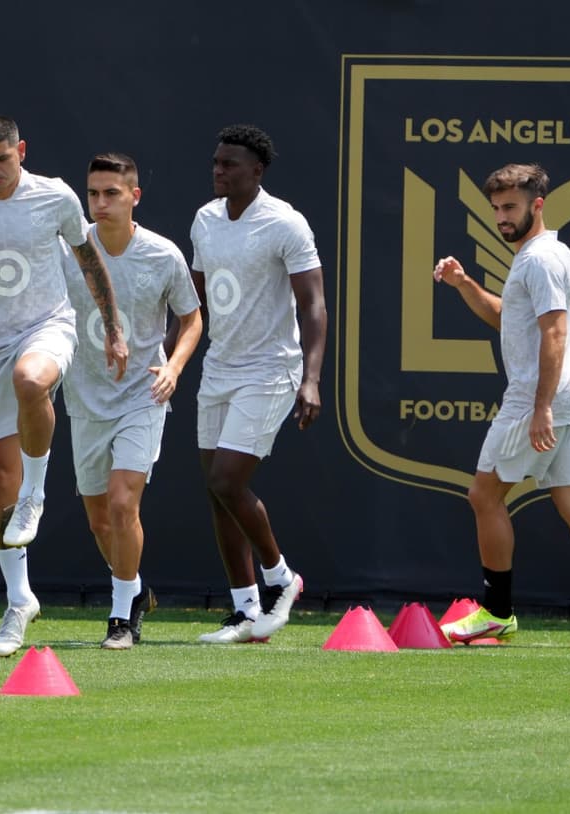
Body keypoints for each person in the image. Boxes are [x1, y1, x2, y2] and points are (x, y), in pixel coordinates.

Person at [0, 115, 129, 657]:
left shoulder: (55, 197)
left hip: (49, 327)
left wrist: (112, 330)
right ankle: (20, 600)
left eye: (3, 159)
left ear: (21, 151)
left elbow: (88, 262)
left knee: (30, 379)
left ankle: (37, 495)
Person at [434, 163, 570, 648]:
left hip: (541, 397)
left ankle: (497, 613)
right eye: (496, 209)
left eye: (511, 208)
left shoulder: (541, 259)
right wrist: (464, 284)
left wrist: (541, 407)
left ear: (537, 205)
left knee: (484, 496)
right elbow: (508, 317)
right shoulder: (539, 256)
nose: (501, 218)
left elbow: (555, 332)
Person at [190, 124, 327, 644]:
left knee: (228, 480)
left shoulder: (285, 224)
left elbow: (313, 305)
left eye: (229, 164)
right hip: (219, 368)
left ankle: (280, 577)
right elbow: (196, 302)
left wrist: (310, 379)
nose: (218, 171)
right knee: (216, 493)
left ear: (257, 172)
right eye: (216, 163)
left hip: (272, 369)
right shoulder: (204, 220)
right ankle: (246, 610)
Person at [61, 153, 203, 649]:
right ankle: (137, 589)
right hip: (84, 396)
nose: (99, 203)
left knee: (124, 504)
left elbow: (192, 319)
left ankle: (121, 616)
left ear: (134, 196)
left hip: (143, 394)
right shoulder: (70, 250)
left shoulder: (163, 254)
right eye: (93, 194)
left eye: (111, 194)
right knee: (101, 520)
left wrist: (174, 367)